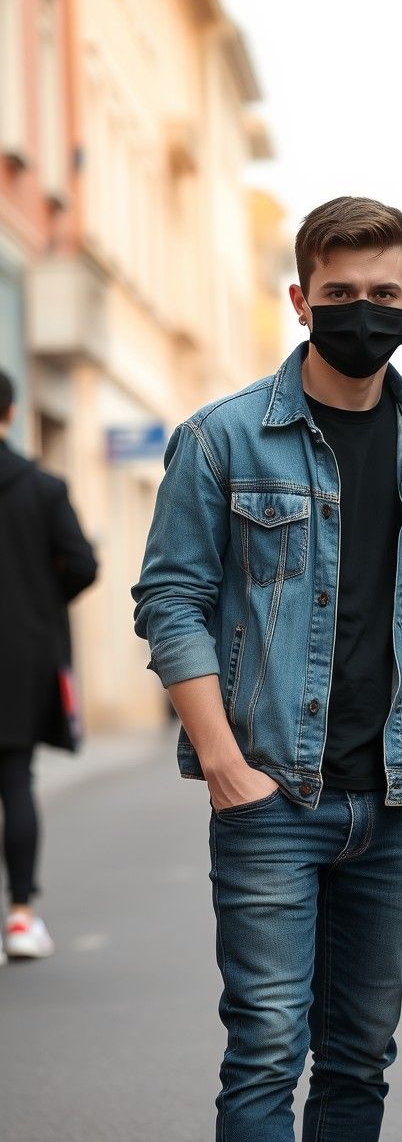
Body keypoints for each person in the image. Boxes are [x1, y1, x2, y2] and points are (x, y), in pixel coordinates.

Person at [132, 197, 402, 1141]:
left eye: (383, 293)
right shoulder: (220, 437)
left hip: (397, 802)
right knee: (265, 1051)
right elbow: (169, 599)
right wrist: (225, 765)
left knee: (361, 1059)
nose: (363, 311)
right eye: (340, 293)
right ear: (300, 300)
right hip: (273, 797)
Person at [0, 371, 97, 964]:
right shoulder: (42, 487)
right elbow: (83, 564)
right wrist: (40, 595)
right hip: (22, 658)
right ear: (10, 412)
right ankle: (20, 916)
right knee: (16, 782)